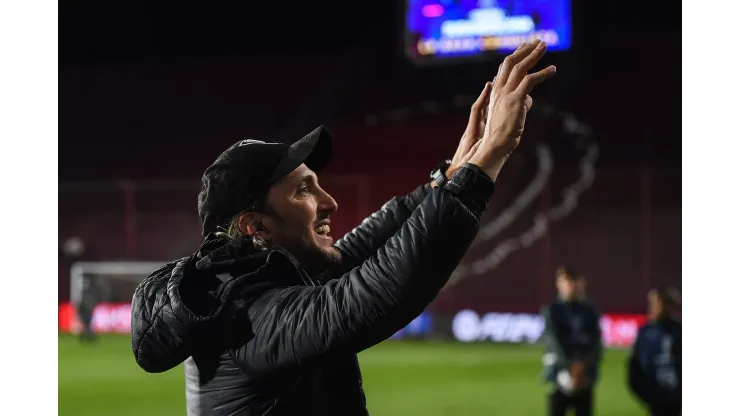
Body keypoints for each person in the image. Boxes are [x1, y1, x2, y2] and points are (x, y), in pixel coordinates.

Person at [130, 40, 557, 415]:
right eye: (303, 191)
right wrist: (486, 163)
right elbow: (374, 292)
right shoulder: (244, 317)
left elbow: (359, 251)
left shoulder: (265, 279)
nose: (329, 202)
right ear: (256, 226)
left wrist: (450, 176)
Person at [541, 266, 603, 416]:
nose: (570, 286)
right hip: (558, 375)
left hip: (585, 376)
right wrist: (570, 366)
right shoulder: (552, 309)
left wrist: (583, 366)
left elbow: (596, 341)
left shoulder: (589, 310)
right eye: (565, 282)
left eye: (572, 282)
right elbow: (553, 341)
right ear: (558, 284)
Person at [628, 287, 682, 416]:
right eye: (654, 304)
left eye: (660, 304)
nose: (657, 307)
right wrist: (644, 394)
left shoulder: (680, 331)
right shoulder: (645, 332)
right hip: (655, 398)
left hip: (677, 398)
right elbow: (635, 366)